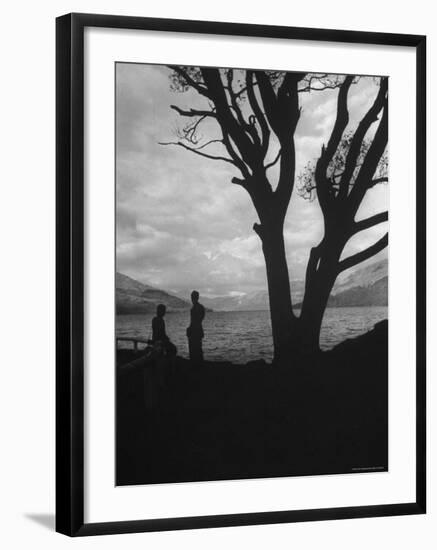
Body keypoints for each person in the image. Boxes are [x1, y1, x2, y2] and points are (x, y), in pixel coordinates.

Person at [186, 290, 205, 364]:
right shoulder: (200, 307)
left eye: (192, 296)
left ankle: (195, 364)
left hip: (195, 331)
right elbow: (199, 320)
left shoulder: (194, 308)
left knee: (194, 349)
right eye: (192, 296)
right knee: (198, 349)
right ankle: (199, 364)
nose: (192, 298)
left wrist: (190, 329)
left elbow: (195, 321)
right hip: (198, 330)